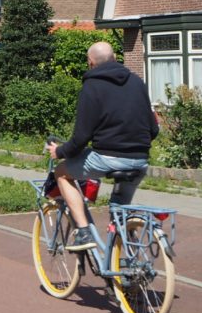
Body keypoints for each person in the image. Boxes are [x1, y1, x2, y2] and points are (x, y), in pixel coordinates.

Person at [44, 41, 158, 251]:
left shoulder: (91, 86)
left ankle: (84, 231)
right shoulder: (137, 82)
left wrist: (59, 151)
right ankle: (128, 263)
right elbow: (153, 129)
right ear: (115, 58)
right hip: (140, 160)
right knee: (119, 209)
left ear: (90, 63)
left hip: (107, 157)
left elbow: (81, 137)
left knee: (61, 173)